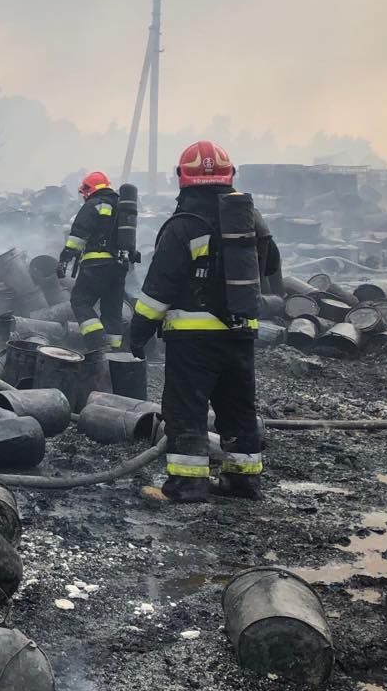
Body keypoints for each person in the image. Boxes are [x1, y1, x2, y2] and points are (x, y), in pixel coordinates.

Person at [129, 141, 283, 503]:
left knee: (187, 410)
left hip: (192, 339)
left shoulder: (183, 226)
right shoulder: (250, 219)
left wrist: (138, 333)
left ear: (183, 177)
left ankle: (187, 484)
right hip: (241, 334)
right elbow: (272, 266)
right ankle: (243, 482)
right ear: (231, 175)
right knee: (238, 409)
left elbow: (157, 290)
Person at [57, 171, 127, 352]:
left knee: (80, 301)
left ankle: (98, 345)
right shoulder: (122, 206)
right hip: (119, 267)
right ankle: (114, 355)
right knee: (112, 311)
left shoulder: (94, 204)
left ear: (88, 190)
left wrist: (65, 257)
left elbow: (79, 234)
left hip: (96, 265)